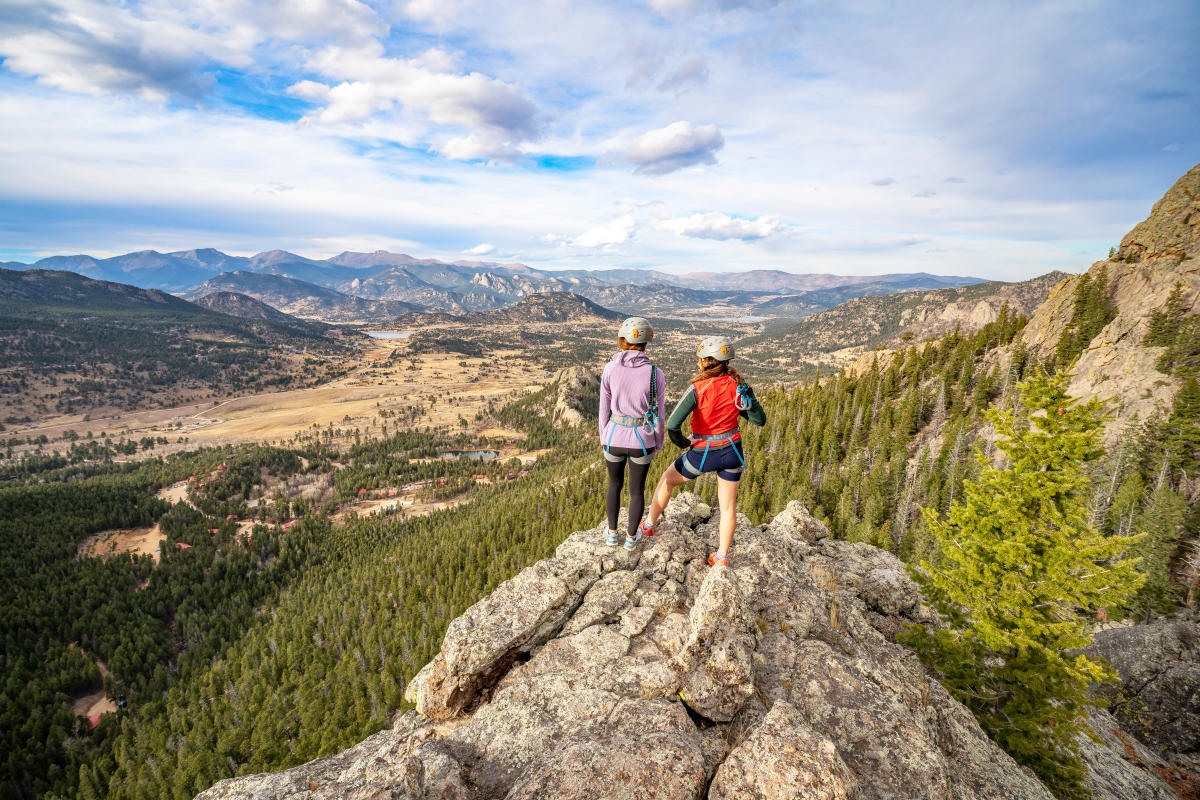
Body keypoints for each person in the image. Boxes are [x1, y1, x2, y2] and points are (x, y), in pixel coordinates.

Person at [638, 336, 766, 566]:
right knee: (728, 507)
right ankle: (722, 557)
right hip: (732, 452)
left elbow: (673, 425)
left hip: (704, 452)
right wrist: (751, 404)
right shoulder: (739, 385)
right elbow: (759, 420)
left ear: (706, 361)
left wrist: (683, 444)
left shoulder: (697, 388)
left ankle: (648, 526)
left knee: (667, 480)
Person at [599, 317, 666, 550]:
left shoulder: (610, 368)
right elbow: (659, 413)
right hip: (642, 439)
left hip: (613, 436)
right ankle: (630, 538)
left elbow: (603, 409)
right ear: (647, 342)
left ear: (622, 340)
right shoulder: (655, 373)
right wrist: (658, 440)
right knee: (636, 490)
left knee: (614, 484)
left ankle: (611, 534)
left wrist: (604, 437)